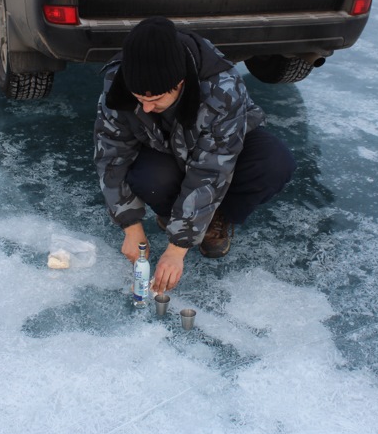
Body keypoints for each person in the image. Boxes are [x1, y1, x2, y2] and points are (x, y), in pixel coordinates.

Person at [94, 16, 296, 294]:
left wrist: (177, 250)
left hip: (224, 148)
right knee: (150, 179)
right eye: (140, 99)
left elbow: (211, 169)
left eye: (155, 100)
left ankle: (216, 219)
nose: (147, 108)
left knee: (274, 163)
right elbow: (111, 154)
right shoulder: (117, 83)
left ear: (179, 83)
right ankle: (173, 213)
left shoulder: (221, 89)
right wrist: (130, 225)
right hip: (164, 149)